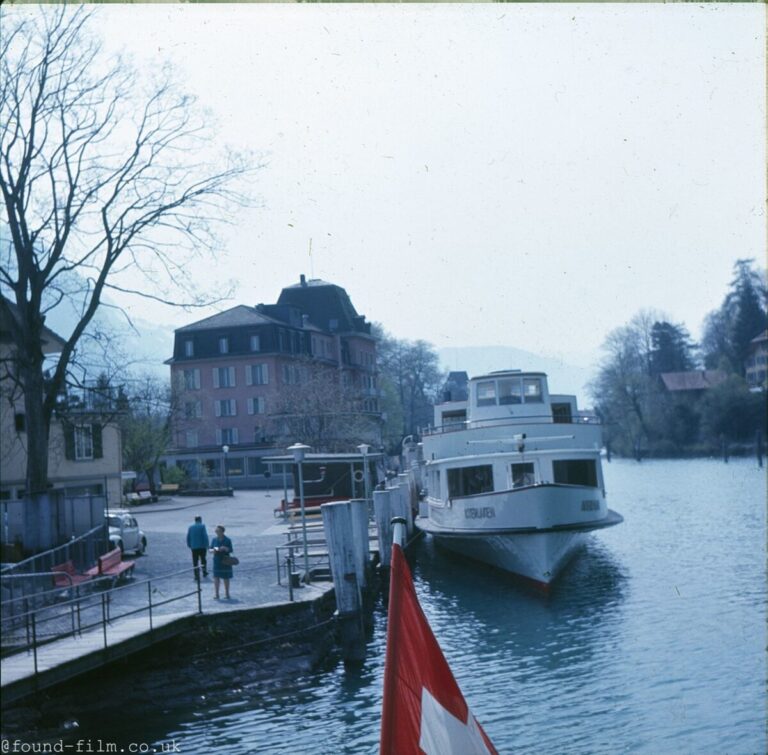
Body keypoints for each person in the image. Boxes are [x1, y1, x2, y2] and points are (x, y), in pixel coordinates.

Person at [210, 524, 234, 600]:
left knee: (226, 578)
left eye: (218, 531)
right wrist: (217, 549)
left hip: (225, 561)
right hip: (217, 561)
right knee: (216, 578)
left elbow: (231, 550)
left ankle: (227, 593)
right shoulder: (214, 539)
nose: (216, 532)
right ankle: (216, 594)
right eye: (216, 531)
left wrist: (226, 548)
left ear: (222, 532)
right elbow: (210, 550)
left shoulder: (227, 540)